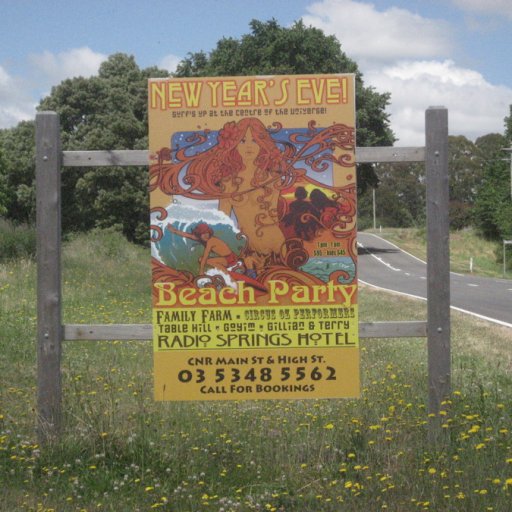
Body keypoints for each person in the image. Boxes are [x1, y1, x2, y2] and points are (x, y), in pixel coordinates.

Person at [166, 222, 238, 275]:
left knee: (205, 260)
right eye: (203, 234)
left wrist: (201, 271)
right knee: (201, 259)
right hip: (225, 259)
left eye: (207, 233)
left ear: (209, 233)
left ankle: (226, 273)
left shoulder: (211, 241)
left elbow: (205, 257)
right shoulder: (201, 238)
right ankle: (224, 270)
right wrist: (174, 230)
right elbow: (188, 235)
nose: (206, 235)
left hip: (230, 259)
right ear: (199, 234)